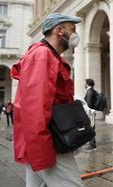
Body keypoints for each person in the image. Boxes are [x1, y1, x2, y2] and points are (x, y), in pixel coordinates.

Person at [10, 13, 83, 186]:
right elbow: (34, 108)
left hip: (42, 141)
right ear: (59, 30)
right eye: (72, 30)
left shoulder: (47, 55)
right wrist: (42, 151)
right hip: (48, 143)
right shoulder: (42, 56)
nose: (75, 35)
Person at [84, 78, 98, 152]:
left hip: (90, 113)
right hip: (92, 112)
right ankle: (92, 144)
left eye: (85, 83)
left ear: (88, 84)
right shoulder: (92, 91)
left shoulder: (89, 92)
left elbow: (88, 104)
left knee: (90, 128)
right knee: (91, 127)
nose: (84, 84)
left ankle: (92, 145)